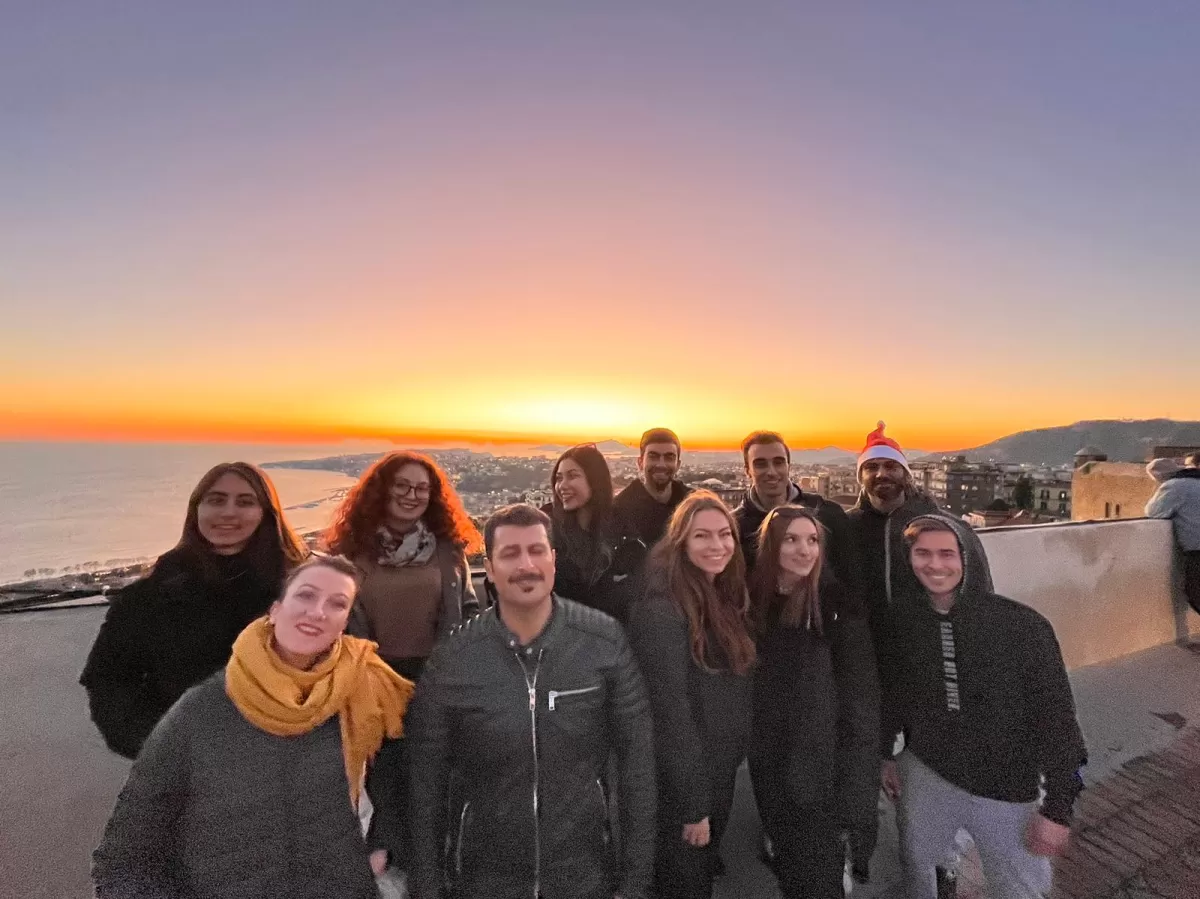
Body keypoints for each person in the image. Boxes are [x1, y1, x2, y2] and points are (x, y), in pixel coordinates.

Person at [92, 555, 416, 899]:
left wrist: (386, 857)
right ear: (275, 610)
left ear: (344, 623)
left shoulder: (368, 693)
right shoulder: (201, 712)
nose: (318, 611)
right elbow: (124, 858)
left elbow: (410, 793)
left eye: (336, 604)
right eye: (306, 595)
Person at [407, 503, 655, 899]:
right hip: (485, 879)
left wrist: (635, 884)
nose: (526, 564)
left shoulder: (604, 642)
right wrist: (428, 887)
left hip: (585, 873)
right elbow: (426, 784)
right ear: (488, 568)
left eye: (537, 550)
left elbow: (637, 764)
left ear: (553, 560)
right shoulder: (454, 659)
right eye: (510, 553)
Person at [882, 515, 1086, 899]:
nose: (935, 564)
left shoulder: (1022, 626)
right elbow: (895, 692)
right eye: (922, 553)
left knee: (1017, 888)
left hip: (1004, 788)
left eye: (947, 553)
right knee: (920, 870)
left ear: (968, 557)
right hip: (926, 772)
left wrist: (1058, 808)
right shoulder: (902, 620)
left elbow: (1057, 720)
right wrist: (885, 753)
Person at [80, 461, 309, 759]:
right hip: (189, 766)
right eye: (216, 500)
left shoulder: (301, 592)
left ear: (266, 514)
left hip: (289, 764)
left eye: (245, 502)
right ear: (196, 510)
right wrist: (158, 746)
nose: (228, 512)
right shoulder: (150, 595)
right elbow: (109, 679)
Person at [748, 506, 880, 897]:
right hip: (771, 766)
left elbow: (861, 701)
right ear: (770, 546)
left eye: (812, 540)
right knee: (791, 871)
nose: (805, 550)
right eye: (790, 539)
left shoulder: (837, 605)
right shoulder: (753, 604)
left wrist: (856, 798)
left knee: (819, 879)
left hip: (823, 775)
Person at [629, 491, 756, 899]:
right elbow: (671, 712)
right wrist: (693, 806)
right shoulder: (663, 608)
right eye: (702, 536)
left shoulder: (717, 593)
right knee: (684, 881)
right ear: (680, 541)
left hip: (714, 769)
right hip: (688, 782)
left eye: (725, 534)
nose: (717, 545)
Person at [323, 450, 484, 682]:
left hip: (438, 677)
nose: (412, 495)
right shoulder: (350, 552)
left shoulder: (448, 550)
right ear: (382, 490)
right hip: (367, 677)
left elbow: (469, 610)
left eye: (421, 488)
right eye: (401, 485)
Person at [731, 431, 859, 588]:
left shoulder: (827, 514)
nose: (771, 472)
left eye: (778, 462)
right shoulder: (734, 527)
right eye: (760, 464)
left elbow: (852, 581)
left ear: (788, 466)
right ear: (747, 471)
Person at [545, 443, 646, 624]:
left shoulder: (623, 530)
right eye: (559, 478)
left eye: (573, 476)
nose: (562, 486)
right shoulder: (546, 529)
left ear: (595, 480)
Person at [613, 427, 693, 547]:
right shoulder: (619, 510)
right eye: (653, 456)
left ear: (678, 465)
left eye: (669, 457)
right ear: (640, 463)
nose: (661, 464)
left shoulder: (692, 504)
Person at [1145, 457, 1200, 615]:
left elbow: (1154, 512)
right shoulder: (1196, 481)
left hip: (1196, 548)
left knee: (1195, 592)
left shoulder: (1173, 487)